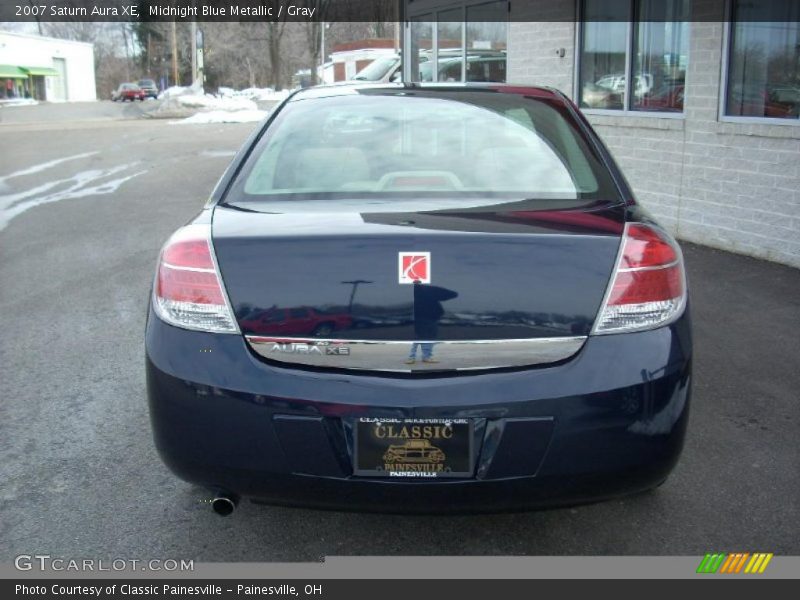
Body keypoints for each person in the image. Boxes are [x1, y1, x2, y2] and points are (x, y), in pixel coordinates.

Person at [406, 281, 458, 364]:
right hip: (429, 318)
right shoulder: (429, 291)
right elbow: (453, 294)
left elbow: (453, 294)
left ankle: (412, 357)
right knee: (428, 338)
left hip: (421, 318)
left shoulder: (415, 293)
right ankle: (425, 356)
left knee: (418, 338)